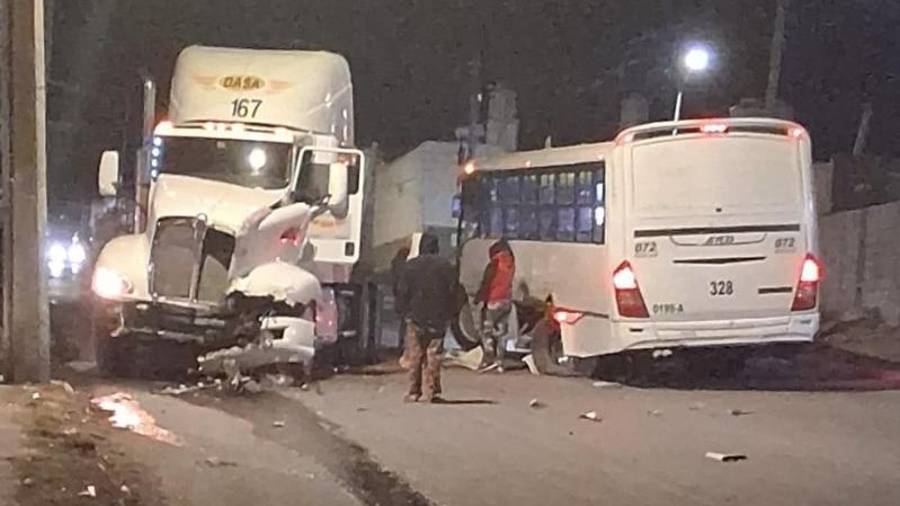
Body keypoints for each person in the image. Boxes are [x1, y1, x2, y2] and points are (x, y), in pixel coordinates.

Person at [395, 233, 461, 403]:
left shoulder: (411, 267)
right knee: (434, 354)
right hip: (438, 317)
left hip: (415, 316)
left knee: (415, 354)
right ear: (436, 247)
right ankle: (431, 392)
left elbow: (402, 292)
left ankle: (413, 391)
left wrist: (403, 312)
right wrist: (451, 314)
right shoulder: (446, 267)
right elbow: (455, 293)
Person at [474, 239, 516, 372]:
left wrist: (479, 298)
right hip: (506, 301)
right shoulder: (511, 263)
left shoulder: (494, 264)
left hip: (493, 301)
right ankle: (500, 362)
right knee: (502, 333)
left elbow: (487, 283)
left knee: (487, 331)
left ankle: (488, 359)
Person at [391, 243, 412, 368]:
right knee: (407, 325)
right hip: (406, 298)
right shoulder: (407, 267)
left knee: (403, 324)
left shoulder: (396, 264)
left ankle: (401, 346)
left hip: (399, 296)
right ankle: (405, 349)